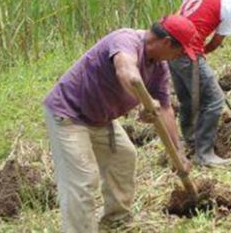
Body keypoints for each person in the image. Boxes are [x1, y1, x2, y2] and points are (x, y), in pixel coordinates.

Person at [43, 15, 197, 233]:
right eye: (180, 51)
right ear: (167, 43)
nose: (180, 56)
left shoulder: (159, 67)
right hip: (69, 115)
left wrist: (178, 152)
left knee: (124, 158)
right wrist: (143, 99)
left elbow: (165, 109)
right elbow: (126, 70)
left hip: (101, 118)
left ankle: (116, 221)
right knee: (83, 182)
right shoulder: (126, 40)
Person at [169, 0, 231, 167]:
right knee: (215, 100)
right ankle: (204, 153)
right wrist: (200, 52)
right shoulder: (228, 5)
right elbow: (217, 42)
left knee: (187, 99)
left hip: (170, 50)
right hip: (189, 53)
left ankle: (190, 139)